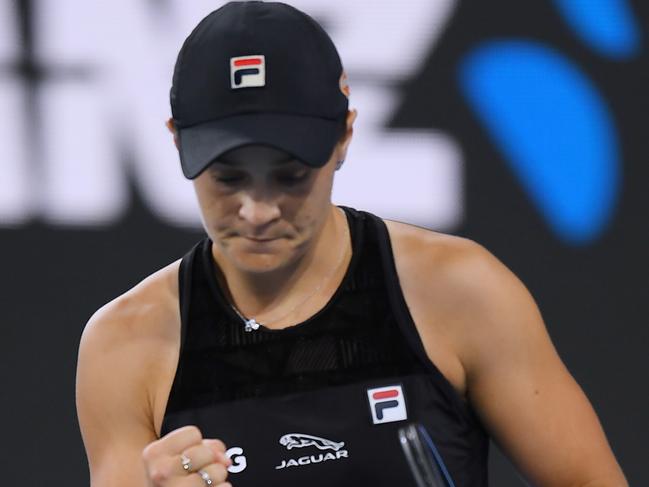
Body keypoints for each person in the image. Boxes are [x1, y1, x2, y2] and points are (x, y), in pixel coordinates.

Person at [75, 2, 628, 486]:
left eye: (290, 175)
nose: (258, 211)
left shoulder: (458, 291)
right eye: (227, 177)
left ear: (344, 137)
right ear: (176, 142)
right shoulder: (125, 347)